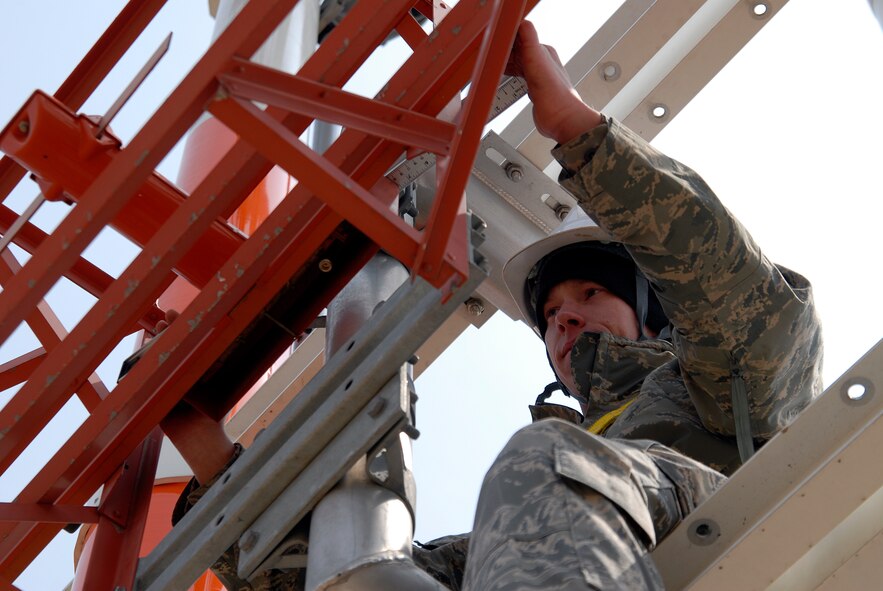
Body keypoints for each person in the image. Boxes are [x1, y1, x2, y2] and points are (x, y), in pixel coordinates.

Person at [156, 19, 822, 591]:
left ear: (652, 315)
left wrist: (578, 131)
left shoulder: (714, 383)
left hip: (728, 515)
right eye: (552, 312)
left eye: (589, 293)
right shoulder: (532, 511)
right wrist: (212, 461)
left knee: (546, 465)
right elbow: (346, 572)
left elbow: (741, 295)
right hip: (576, 532)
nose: (563, 317)